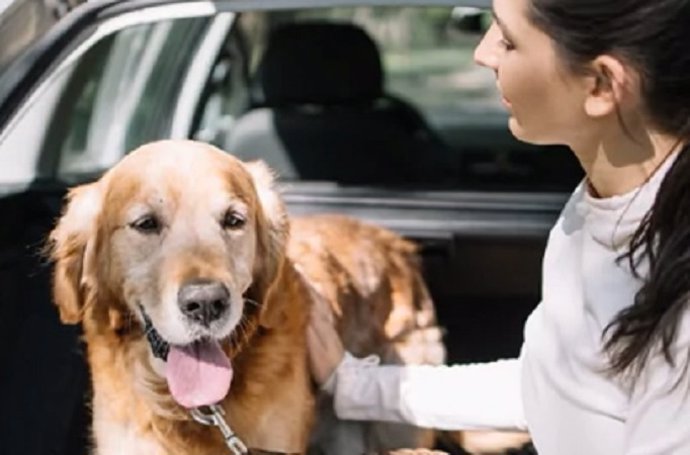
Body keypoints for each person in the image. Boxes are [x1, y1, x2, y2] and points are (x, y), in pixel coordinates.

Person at [306, 0, 690, 453]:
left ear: (602, 85)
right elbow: (552, 387)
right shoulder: (598, 208)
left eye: (507, 39)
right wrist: (353, 386)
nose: (483, 52)